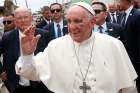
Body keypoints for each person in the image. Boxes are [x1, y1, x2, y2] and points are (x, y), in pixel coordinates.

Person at [15, 2, 138, 93]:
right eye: (68, 21)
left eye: (78, 21)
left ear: (92, 22)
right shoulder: (55, 46)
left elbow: (129, 86)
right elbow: (31, 73)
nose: (72, 27)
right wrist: (27, 55)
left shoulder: (113, 45)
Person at [0, 7, 52, 93]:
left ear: (31, 18)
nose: (23, 20)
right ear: (15, 20)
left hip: (41, 85)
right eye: (19, 18)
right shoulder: (7, 37)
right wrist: (1, 71)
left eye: (26, 17)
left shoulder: (44, 35)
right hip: (17, 86)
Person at [118, 0, 140, 91]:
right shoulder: (122, 15)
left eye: (119, 1)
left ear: (126, 2)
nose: (118, 4)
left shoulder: (137, 15)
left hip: (137, 57)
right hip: (128, 56)